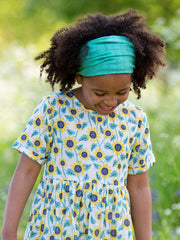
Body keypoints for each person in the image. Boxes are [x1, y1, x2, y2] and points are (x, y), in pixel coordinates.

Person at [2, 9, 166, 240]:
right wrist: (8, 231)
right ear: (80, 77)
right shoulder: (53, 109)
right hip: (53, 229)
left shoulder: (134, 120)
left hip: (110, 231)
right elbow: (26, 171)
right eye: (99, 92)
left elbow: (139, 186)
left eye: (122, 91)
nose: (111, 101)